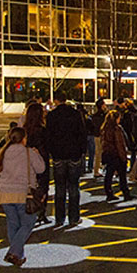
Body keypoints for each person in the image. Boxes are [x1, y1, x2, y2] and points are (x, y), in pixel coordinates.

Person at [0, 127, 46, 267]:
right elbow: (41, 168)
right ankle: (13, 252)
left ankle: (19, 255)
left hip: (5, 193)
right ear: (23, 138)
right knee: (28, 223)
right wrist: (38, 154)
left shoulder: (3, 152)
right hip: (23, 193)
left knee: (13, 224)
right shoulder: (28, 153)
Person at [44, 91, 88, 227]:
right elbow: (82, 134)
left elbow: (48, 136)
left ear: (56, 100)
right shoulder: (75, 114)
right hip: (73, 154)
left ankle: (59, 217)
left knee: (60, 187)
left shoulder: (52, 116)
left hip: (59, 155)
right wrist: (82, 152)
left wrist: (52, 152)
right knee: (74, 187)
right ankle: (74, 217)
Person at [22, 103, 50, 225]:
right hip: (41, 160)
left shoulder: (25, 130)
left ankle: (29, 210)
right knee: (42, 187)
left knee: (29, 186)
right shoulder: (42, 130)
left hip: (27, 162)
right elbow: (48, 145)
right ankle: (41, 212)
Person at [101, 110, 133, 202]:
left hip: (109, 154)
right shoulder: (117, 129)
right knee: (122, 176)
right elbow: (120, 144)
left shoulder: (105, 128)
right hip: (117, 155)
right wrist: (124, 157)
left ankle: (109, 193)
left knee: (109, 175)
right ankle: (125, 193)